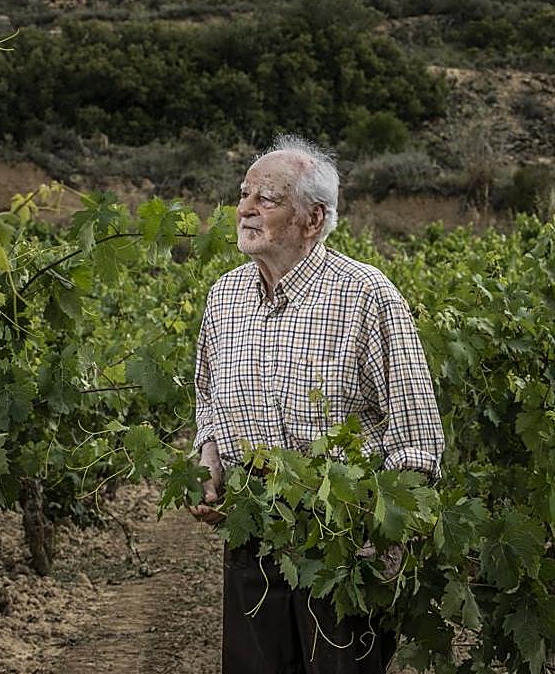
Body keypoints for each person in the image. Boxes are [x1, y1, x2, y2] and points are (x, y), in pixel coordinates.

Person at [190, 134, 445, 674]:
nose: (244, 209)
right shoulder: (223, 297)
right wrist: (208, 462)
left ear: (313, 219)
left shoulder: (367, 295)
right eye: (243, 194)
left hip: (342, 546)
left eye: (267, 199)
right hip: (252, 536)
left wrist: (384, 542)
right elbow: (208, 402)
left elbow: (417, 436)